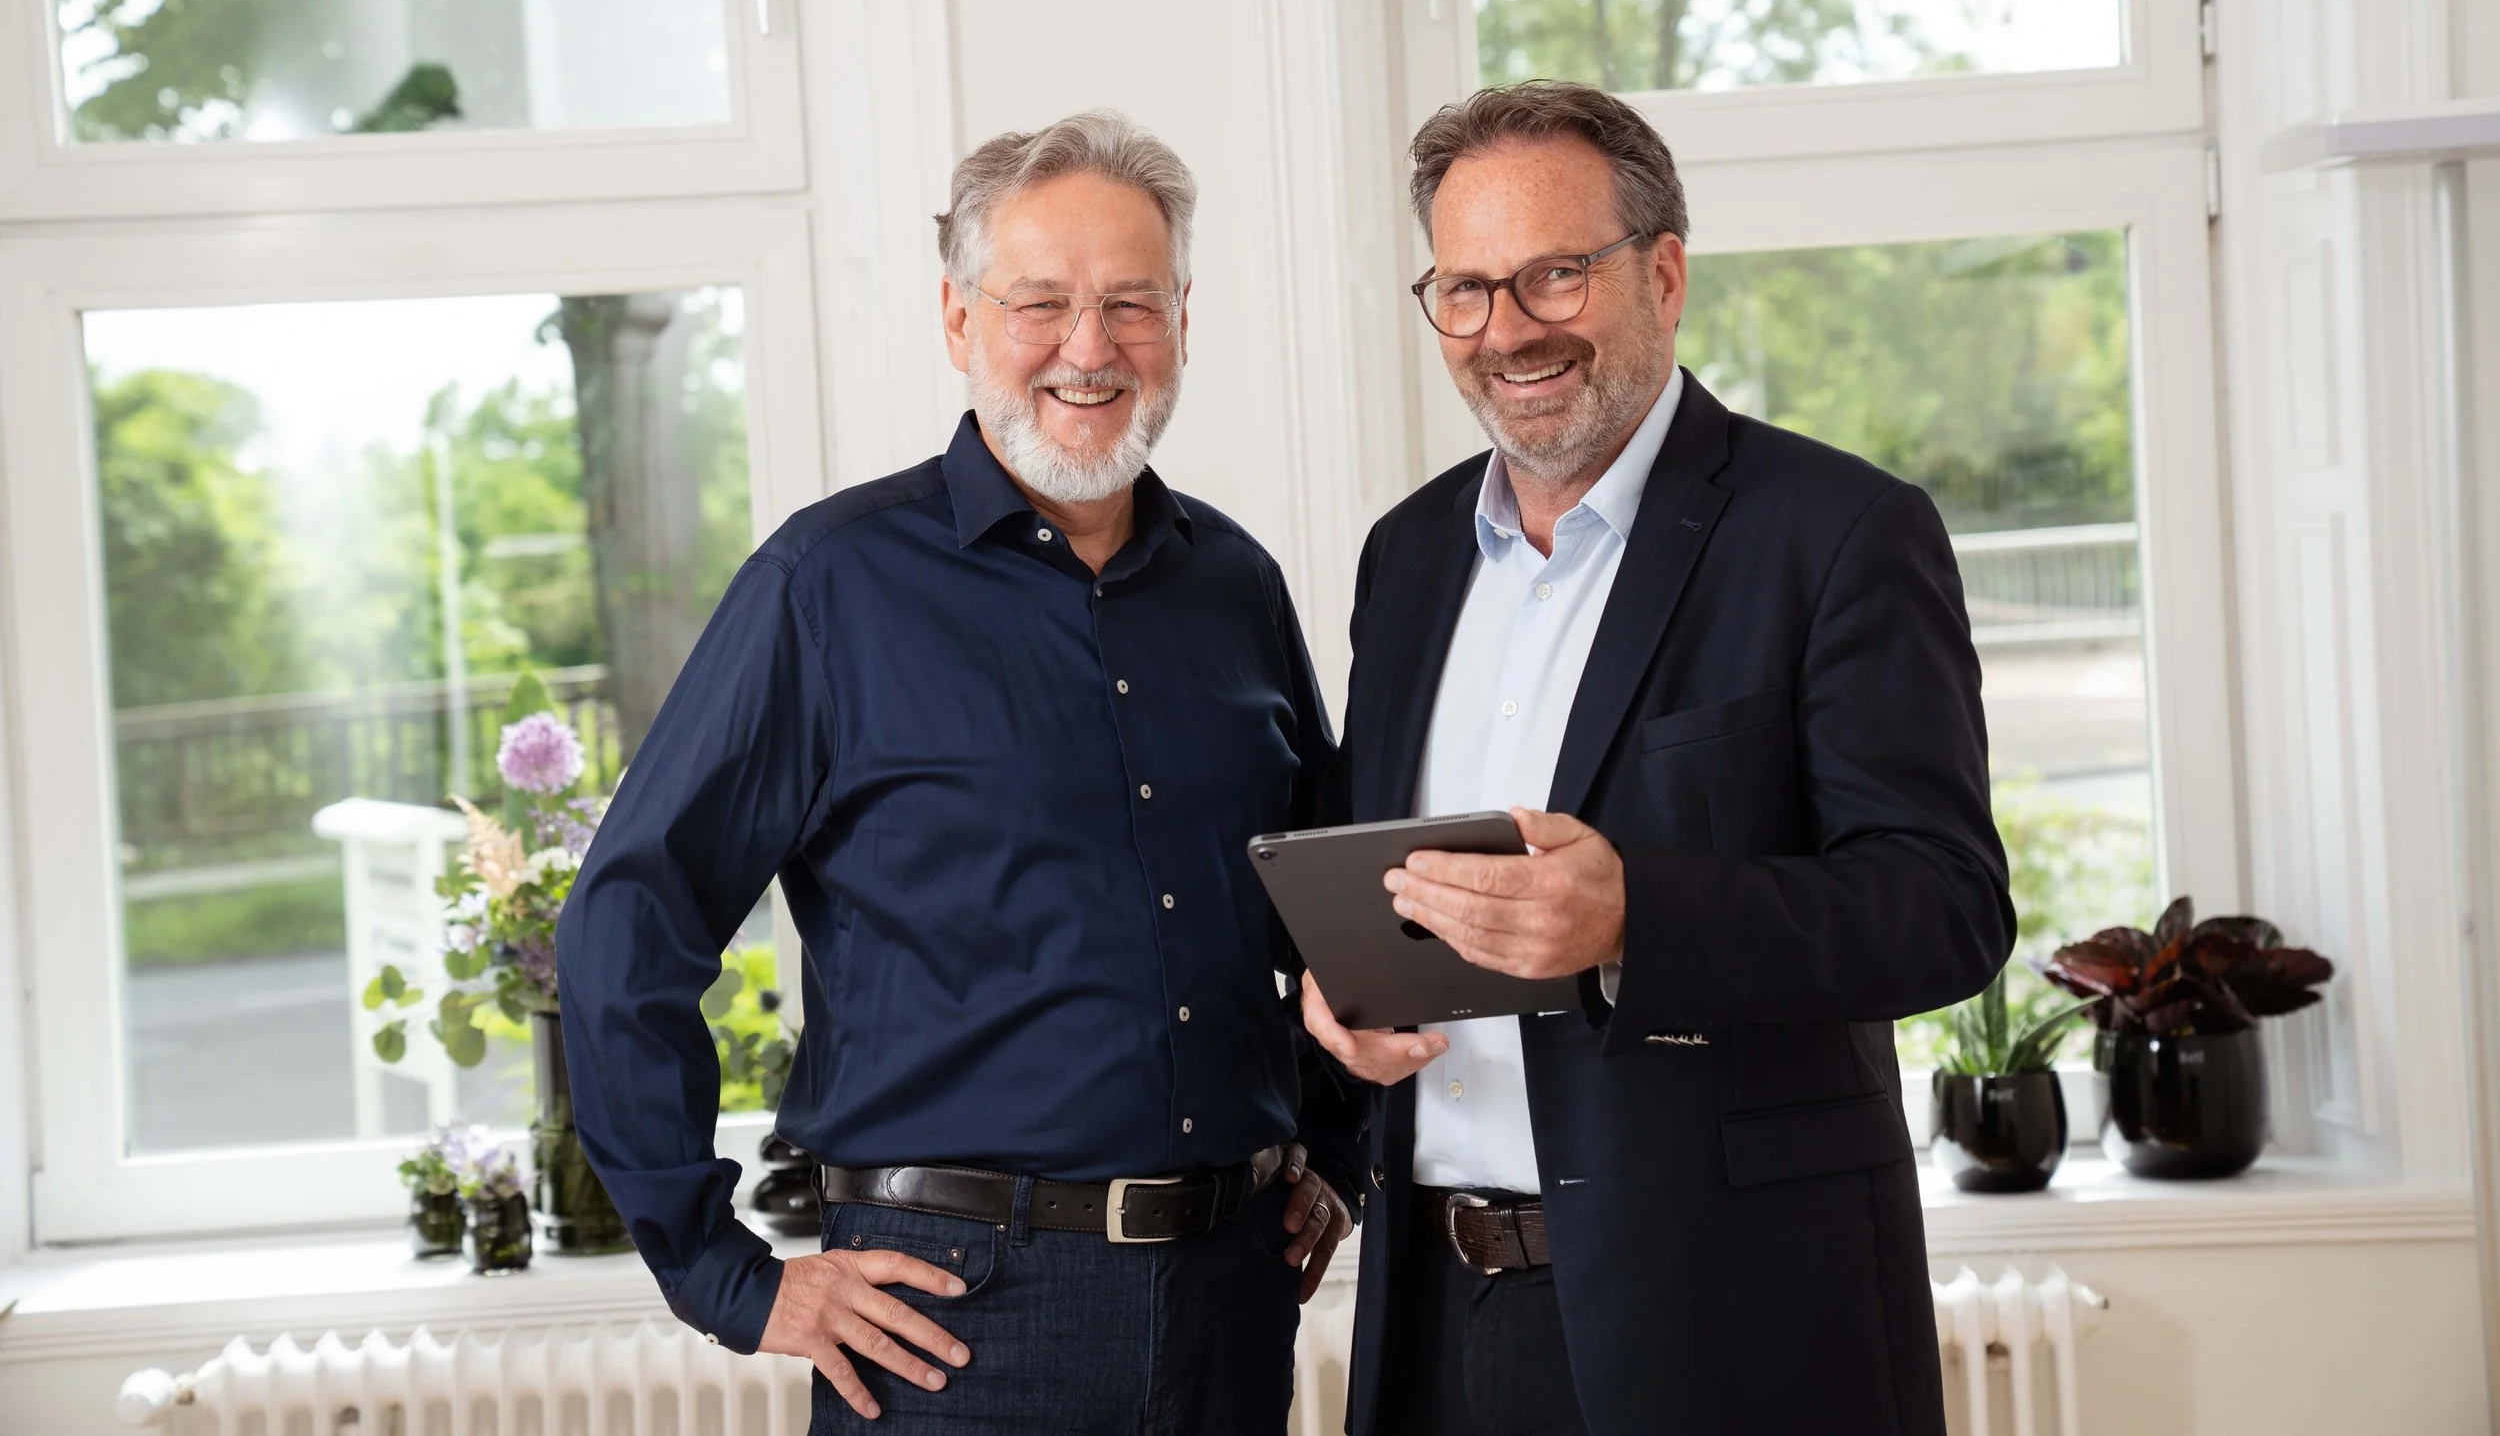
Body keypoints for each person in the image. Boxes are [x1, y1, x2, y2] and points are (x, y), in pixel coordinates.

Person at [557, 110, 1358, 1435]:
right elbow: (628, 919)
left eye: (1130, 305)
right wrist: (726, 1275)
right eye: (1039, 302)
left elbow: (1329, 910)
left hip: (1233, 1299)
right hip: (951, 1318)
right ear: (958, 320)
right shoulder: (827, 586)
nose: (1088, 349)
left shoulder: (1236, 587)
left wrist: (1338, 1144)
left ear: (1182, 319)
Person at [1300, 80, 2010, 1436]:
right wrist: (1335, 998)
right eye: (1466, 288)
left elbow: (1945, 908)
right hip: (1437, 1325)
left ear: (1665, 273)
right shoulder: (1406, 559)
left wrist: (1635, 910)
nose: (1508, 331)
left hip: (1734, 1328)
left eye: (1555, 275)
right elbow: (1379, 884)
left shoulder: (1838, 532)